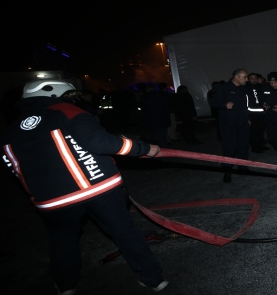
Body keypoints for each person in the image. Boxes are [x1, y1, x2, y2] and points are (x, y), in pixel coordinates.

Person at [0, 79, 168, 293]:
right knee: (124, 232)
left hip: (52, 202)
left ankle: (65, 285)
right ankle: (153, 278)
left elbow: (14, 167)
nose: (74, 100)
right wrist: (143, 148)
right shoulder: (66, 110)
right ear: (57, 95)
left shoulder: (10, 132)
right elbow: (101, 142)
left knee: (62, 239)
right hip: (98, 189)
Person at [210, 69, 250, 183]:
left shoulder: (243, 89)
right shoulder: (223, 88)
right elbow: (214, 103)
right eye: (245, 77)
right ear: (237, 77)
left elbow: (245, 107)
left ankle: (243, 167)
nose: (247, 79)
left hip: (242, 123)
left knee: (243, 146)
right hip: (228, 124)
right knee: (229, 149)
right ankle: (227, 172)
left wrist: (247, 119)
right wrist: (224, 105)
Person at [140, 84, 171, 148]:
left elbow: (143, 107)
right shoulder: (162, 94)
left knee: (158, 132)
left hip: (153, 117)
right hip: (163, 116)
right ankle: (165, 144)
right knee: (163, 132)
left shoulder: (146, 96)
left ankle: (163, 145)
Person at [246, 73, 267, 153]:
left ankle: (261, 145)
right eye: (252, 78)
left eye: (255, 78)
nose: (254, 79)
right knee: (253, 132)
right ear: (248, 79)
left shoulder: (260, 87)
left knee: (260, 130)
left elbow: (263, 98)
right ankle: (255, 148)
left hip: (261, 113)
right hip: (251, 114)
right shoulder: (246, 88)